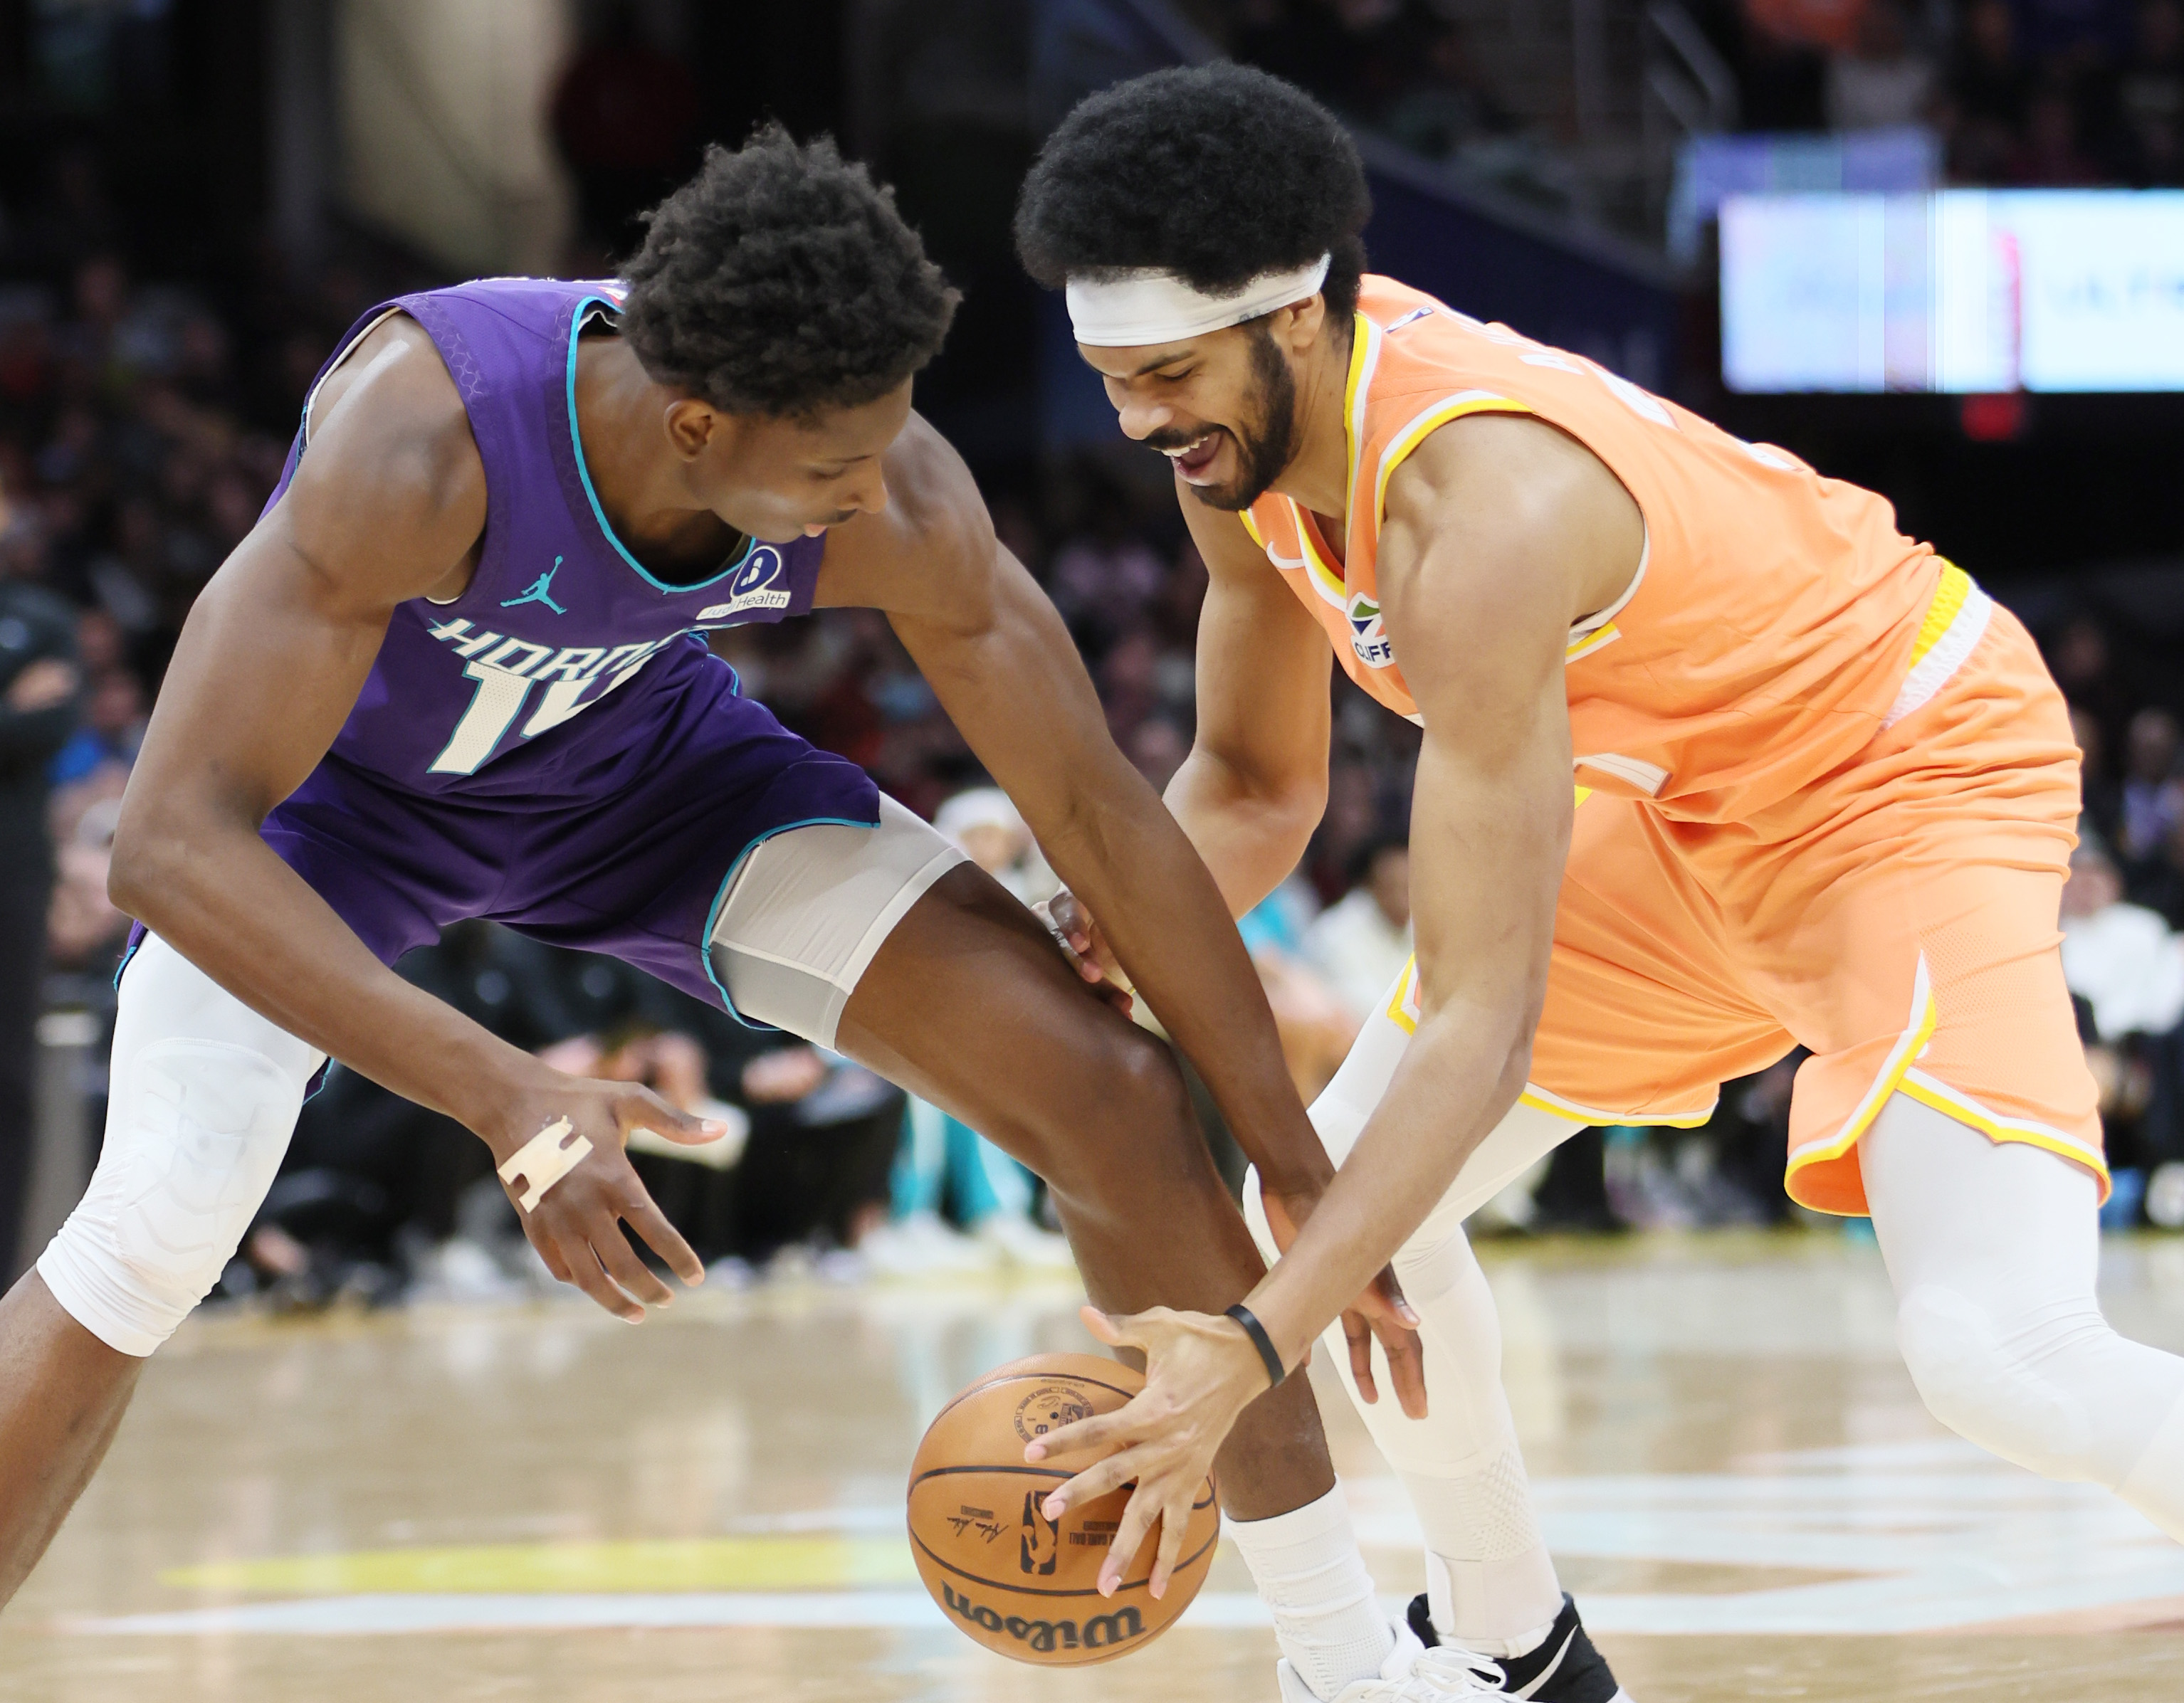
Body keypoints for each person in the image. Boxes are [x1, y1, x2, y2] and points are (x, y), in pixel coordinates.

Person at [0, 129, 1473, 1703]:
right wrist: (510, 1097)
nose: (874, 490)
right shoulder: (425, 438)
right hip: (330, 824)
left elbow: (1102, 817)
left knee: (1109, 1094)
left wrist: (1289, 1158)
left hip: (657, 789)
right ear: (696, 423)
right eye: (834, 467)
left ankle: (1344, 1662)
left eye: (890, 443)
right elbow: (167, 845)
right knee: (164, 1218)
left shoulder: (887, 480)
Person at [1012, 58, 2184, 1694]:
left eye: (1168, 374)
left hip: (1891, 773)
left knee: (1994, 1355)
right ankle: (1518, 1649)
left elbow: (1482, 1020)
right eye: (1111, 377)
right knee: (1343, 1195)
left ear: (1293, 320)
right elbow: (1257, 785)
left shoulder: (1473, 515)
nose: (1139, 419)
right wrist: (1091, 923)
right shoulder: (1246, 444)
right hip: (1674, 806)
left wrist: (1261, 1343)